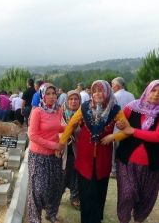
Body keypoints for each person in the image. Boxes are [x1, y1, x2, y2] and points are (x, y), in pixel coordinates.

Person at [58, 80, 129, 223]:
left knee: (99, 191)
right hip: (85, 157)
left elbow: (128, 130)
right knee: (86, 192)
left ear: (108, 91)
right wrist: (61, 143)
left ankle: (96, 218)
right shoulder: (84, 108)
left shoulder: (115, 109)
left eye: (100, 90)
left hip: (103, 157)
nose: (97, 94)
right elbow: (71, 125)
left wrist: (113, 136)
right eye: (94, 90)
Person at [112, 80, 159, 223]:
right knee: (127, 194)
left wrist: (133, 131)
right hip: (127, 160)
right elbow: (121, 124)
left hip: (152, 164)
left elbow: (157, 136)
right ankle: (124, 220)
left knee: (146, 198)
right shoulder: (131, 107)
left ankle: (139, 219)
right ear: (147, 90)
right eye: (154, 90)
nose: (156, 94)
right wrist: (119, 124)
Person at [27, 83, 65, 223]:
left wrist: (67, 128)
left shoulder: (58, 110)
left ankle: (51, 213)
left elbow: (56, 127)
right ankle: (35, 218)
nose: (51, 96)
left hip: (54, 156)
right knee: (38, 190)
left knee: (55, 187)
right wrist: (55, 145)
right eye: (48, 93)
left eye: (54, 93)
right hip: (38, 156)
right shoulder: (37, 111)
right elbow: (33, 135)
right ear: (42, 95)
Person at [58, 90, 81, 210]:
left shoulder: (83, 114)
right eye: (71, 99)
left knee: (76, 174)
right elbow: (56, 130)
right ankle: (57, 196)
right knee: (62, 174)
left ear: (79, 101)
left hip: (77, 150)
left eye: (76, 99)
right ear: (67, 100)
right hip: (63, 150)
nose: (73, 101)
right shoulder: (60, 113)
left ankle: (75, 197)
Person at [111, 77, 135, 177]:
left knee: (114, 151)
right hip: (129, 127)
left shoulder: (114, 96)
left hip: (116, 128)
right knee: (126, 149)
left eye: (112, 85)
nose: (111, 87)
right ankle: (125, 169)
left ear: (117, 86)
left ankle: (114, 170)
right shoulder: (131, 95)